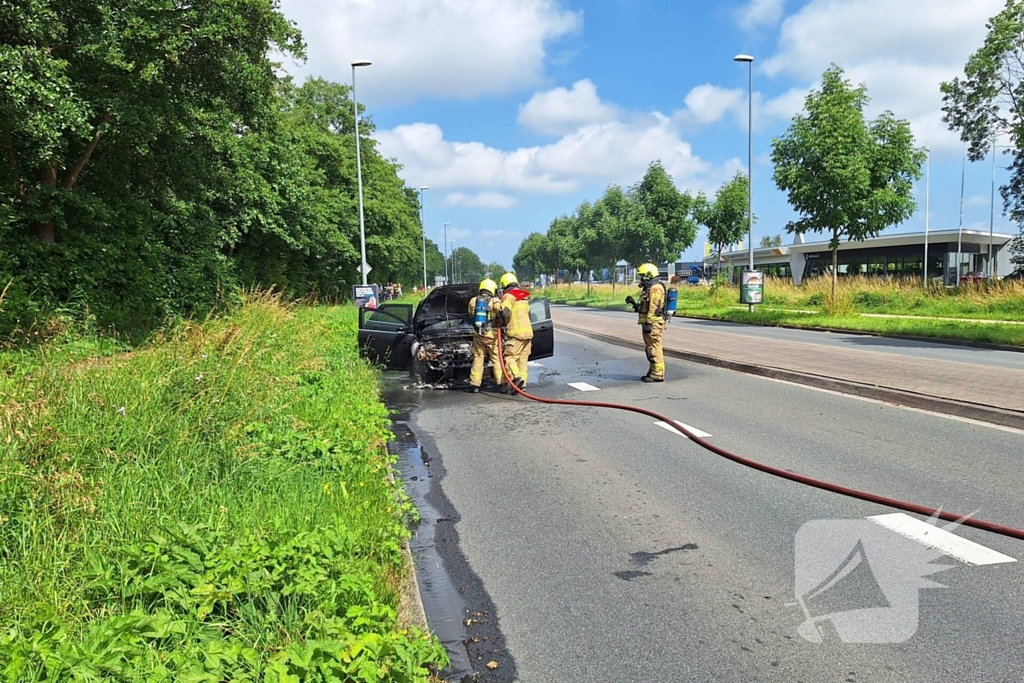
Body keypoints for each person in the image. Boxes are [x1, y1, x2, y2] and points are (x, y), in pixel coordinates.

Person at [625, 263, 666, 383]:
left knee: (654, 347)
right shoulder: (649, 288)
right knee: (650, 348)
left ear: (649, 275)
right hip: (650, 322)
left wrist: (649, 322)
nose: (641, 279)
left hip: (653, 323)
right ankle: (653, 371)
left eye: (643, 276)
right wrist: (636, 306)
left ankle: (658, 373)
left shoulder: (655, 288)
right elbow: (647, 306)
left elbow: (654, 306)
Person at [494, 272, 533, 393]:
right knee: (522, 359)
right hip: (528, 333)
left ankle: (516, 377)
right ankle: (523, 385)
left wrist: (496, 303)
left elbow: (504, 312)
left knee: (510, 357)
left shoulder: (509, 296)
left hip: (515, 333)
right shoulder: (523, 297)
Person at [467, 278, 503, 394]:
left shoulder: (473, 301)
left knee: (478, 358)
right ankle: (501, 383)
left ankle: (475, 384)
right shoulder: (494, 300)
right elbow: (501, 312)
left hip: (478, 334)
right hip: (491, 335)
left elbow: (470, 314)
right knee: (496, 359)